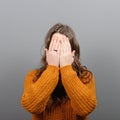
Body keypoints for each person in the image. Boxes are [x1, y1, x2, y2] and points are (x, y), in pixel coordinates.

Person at [21, 23, 97, 120]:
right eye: (55, 48)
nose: (60, 52)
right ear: (47, 52)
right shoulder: (33, 76)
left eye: (64, 49)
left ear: (72, 53)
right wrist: (52, 67)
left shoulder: (85, 77)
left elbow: (85, 109)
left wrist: (66, 68)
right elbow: (32, 107)